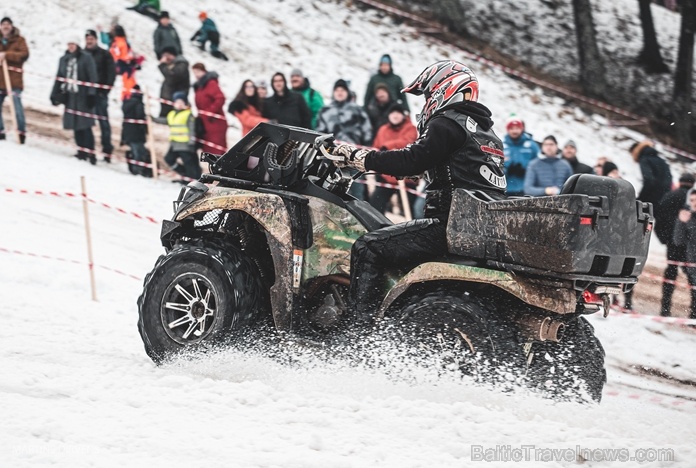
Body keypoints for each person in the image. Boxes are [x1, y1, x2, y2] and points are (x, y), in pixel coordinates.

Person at [329, 60, 506, 319]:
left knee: (368, 247)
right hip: (478, 228)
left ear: (443, 88)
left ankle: (359, 330)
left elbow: (412, 157)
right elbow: (462, 170)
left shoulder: (446, 122)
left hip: (447, 225)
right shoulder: (486, 132)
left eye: (426, 95)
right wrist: (421, 171)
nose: (425, 104)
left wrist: (360, 157)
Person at [316, 79, 373, 201]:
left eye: (342, 90)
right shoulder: (326, 111)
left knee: (357, 193)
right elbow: (320, 132)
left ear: (347, 92)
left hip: (355, 156)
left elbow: (367, 131)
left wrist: (365, 149)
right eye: (337, 90)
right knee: (329, 192)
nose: (340, 92)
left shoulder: (357, 110)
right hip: (333, 157)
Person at [50, 34, 99, 164]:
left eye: (73, 44)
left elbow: (92, 77)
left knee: (85, 125)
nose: (71, 47)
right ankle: (81, 151)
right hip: (70, 96)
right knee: (75, 124)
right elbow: (59, 77)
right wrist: (54, 94)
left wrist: (91, 94)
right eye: (69, 44)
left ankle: (91, 152)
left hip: (83, 95)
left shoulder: (86, 58)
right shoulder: (64, 59)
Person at [656, 173, 695, 316]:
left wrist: (664, 239)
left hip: (672, 244)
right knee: (692, 277)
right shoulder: (690, 200)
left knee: (670, 274)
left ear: (680, 181)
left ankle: (665, 309)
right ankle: (693, 313)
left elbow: (658, 216)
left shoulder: (670, 196)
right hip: (688, 245)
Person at [369, 103, 418, 215]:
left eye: (398, 113)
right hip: (387, 176)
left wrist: (387, 146)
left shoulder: (411, 128)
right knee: (375, 206)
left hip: (406, 178)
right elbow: (376, 147)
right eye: (392, 113)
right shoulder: (383, 130)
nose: (395, 116)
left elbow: (408, 143)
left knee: (408, 210)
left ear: (403, 115)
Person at [155, 91, 201, 182]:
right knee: (169, 159)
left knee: (189, 163)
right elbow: (165, 121)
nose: (179, 104)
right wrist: (153, 119)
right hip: (174, 143)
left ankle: (190, 179)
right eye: (177, 102)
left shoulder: (188, 114)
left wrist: (191, 141)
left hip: (185, 144)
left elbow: (192, 129)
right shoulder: (172, 114)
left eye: (181, 102)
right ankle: (185, 174)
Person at [84, 29, 116, 161]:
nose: (89, 41)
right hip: (86, 93)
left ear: (96, 40)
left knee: (103, 122)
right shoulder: (83, 53)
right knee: (86, 122)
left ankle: (107, 149)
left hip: (100, 93)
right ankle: (88, 148)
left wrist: (105, 90)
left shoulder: (104, 54)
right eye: (87, 39)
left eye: (91, 39)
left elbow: (111, 74)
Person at [0, 17, 29, 144]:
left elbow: (24, 55)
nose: (5, 27)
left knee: (17, 108)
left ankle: (21, 133)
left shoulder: (19, 40)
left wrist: (6, 55)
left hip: (14, 81)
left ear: (11, 26)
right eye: (3, 24)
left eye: (8, 24)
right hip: (0, 81)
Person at [191, 62, 227, 154]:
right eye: (194, 72)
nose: (196, 75)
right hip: (204, 123)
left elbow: (220, 98)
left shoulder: (210, 83)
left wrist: (210, 113)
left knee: (217, 150)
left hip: (214, 122)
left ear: (204, 71)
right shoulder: (199, 86)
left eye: (198, 72)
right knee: (208, 151)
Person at [672, 191, 696, 320]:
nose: (694, 203)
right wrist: (681, 222)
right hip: (692, 263)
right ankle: (693, 318)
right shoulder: (688, 216)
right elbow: (678, 240)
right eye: (692, 200)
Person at [502, 116, 539, 196]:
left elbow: (539, 165)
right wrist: (506, 169)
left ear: (522, 129)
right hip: (506, 189)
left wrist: (526, 170)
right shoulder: (501, 146)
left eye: (517, 128)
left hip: (526, 189)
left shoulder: (532, 146)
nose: (514, 131)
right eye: (512, 128)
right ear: (507, 130)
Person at [121, 84, 151, 177]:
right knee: (139, 152)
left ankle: (135, 169)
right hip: (137, 133)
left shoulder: (126, 102)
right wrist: (145, 129)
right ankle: (138, 170)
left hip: (127, 131)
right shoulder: (139, 104)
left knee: (134, 151)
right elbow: (140, 117)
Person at [630, 140, 672, 207]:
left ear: (635, 152)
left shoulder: (644, 159)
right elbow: (669, 180)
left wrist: (641, 199)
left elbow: (649, 180)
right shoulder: (662, 160)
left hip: (651, 201)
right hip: (663, 199)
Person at [158, 46, 189, 117]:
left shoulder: (181, 65)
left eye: (166, 56)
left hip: (176, 101)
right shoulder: (172, 65)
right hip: (167, 100)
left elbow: (172, 77)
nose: (165, 58)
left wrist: (162, 65)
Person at [109, 25, 138, 101]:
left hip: (122, 65)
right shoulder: (121, 41)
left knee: (127, 82)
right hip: (123, 65)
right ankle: (126, 96)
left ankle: (126, 96)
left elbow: (121, 55)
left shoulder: (119, 43)